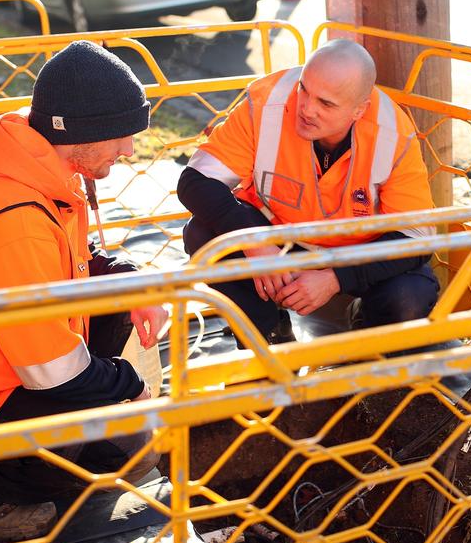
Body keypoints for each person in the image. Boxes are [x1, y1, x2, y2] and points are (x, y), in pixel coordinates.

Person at [0, 41, 169, 541]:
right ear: (81, 130)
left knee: (120, 310)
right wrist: (132, 388)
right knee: (82, 407)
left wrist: (132, 277)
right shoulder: (15, 222)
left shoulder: (37, 162)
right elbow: (55, 376)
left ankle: (79, 447)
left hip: (8, 362)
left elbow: (67, 262)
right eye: (121, 135)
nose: (129, 149)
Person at [177, 39, 438, 343]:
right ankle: (269, 335)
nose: (307, 109)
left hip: (357, 254)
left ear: (359, 110)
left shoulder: (392, 133)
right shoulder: (265, 101)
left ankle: (365, 342)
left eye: (326, 103)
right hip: (280, 241)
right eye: (304, 88)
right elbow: (195, 181)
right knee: (202, 235)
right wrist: (256, 244)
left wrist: (336, 278)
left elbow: (416, 238)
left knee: (409, 297)